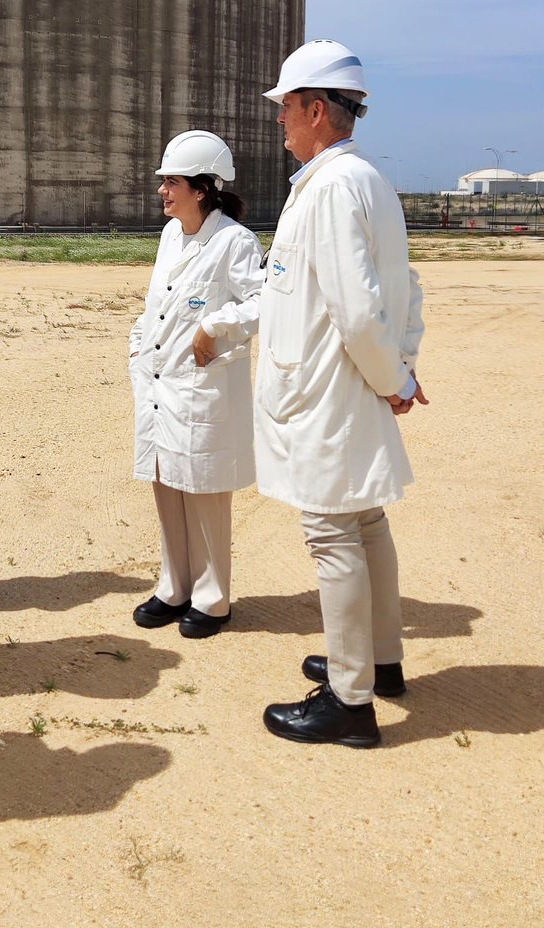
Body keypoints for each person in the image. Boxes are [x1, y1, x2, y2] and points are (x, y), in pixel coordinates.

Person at [254, 40, 428, 748]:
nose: (281, 123)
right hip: (351, 382)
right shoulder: (368, 181)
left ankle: (349, 701)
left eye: (286, 109)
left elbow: (358, 309)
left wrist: (395, 377)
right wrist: (402, 370)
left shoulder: (328, 187)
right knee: (365, 524)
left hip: (329, 388)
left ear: (316, 110)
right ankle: (378, 661)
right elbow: (404, 289)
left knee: (334, 532)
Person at [129, 131, 263, 639]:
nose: (163, 190)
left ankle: (213, 597)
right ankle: (174, 585)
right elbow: (156, 304)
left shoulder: (234, 241)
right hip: (161, 381)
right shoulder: (171, 236)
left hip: (201, 383)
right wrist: (137, 347)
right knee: (167, 482)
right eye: (164, 182)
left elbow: (263, 301)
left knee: (205, 491)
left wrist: (214, 326)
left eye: (172, 182)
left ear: (202, 189)